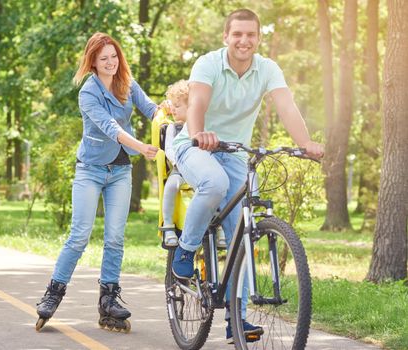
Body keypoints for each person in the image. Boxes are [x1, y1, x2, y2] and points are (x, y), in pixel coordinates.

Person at [169, 9, 324, 343]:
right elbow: (196, 103)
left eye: (250, 35)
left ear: (258, 38)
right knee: (214, 184)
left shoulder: (267, 69)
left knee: (242, 231)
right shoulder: (208, 63)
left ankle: (235, 321)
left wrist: (305, 143)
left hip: (235, 152)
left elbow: (287, 106)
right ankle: (186, 251)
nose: (244, 41)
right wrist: (199, 134)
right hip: (194, 145)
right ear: (226, 36)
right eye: (237, 34)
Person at [35, 32, 159, 333]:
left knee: (115, 238)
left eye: (113, 56)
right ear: (92, 63)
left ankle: (109, 300)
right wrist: (142, 147)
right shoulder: (87, 93)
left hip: (119, 171)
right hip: (90, 169)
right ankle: (53, 293)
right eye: (103, 58)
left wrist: (171, 120)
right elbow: (110, 127)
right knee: (79, 236)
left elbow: (153, 110)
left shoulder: (127, 84)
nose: (110, 62)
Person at [160, 80, 226, 249]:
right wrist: (179, 161)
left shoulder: (203, 125)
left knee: (214, 190)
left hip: (200, 170)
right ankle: (168, 226)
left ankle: (218, 228)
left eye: (178, 106)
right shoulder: (172, 129)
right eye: (172, 106)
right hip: (180, 169)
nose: (174, 109)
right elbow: (169, 149)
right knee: (171, 186)